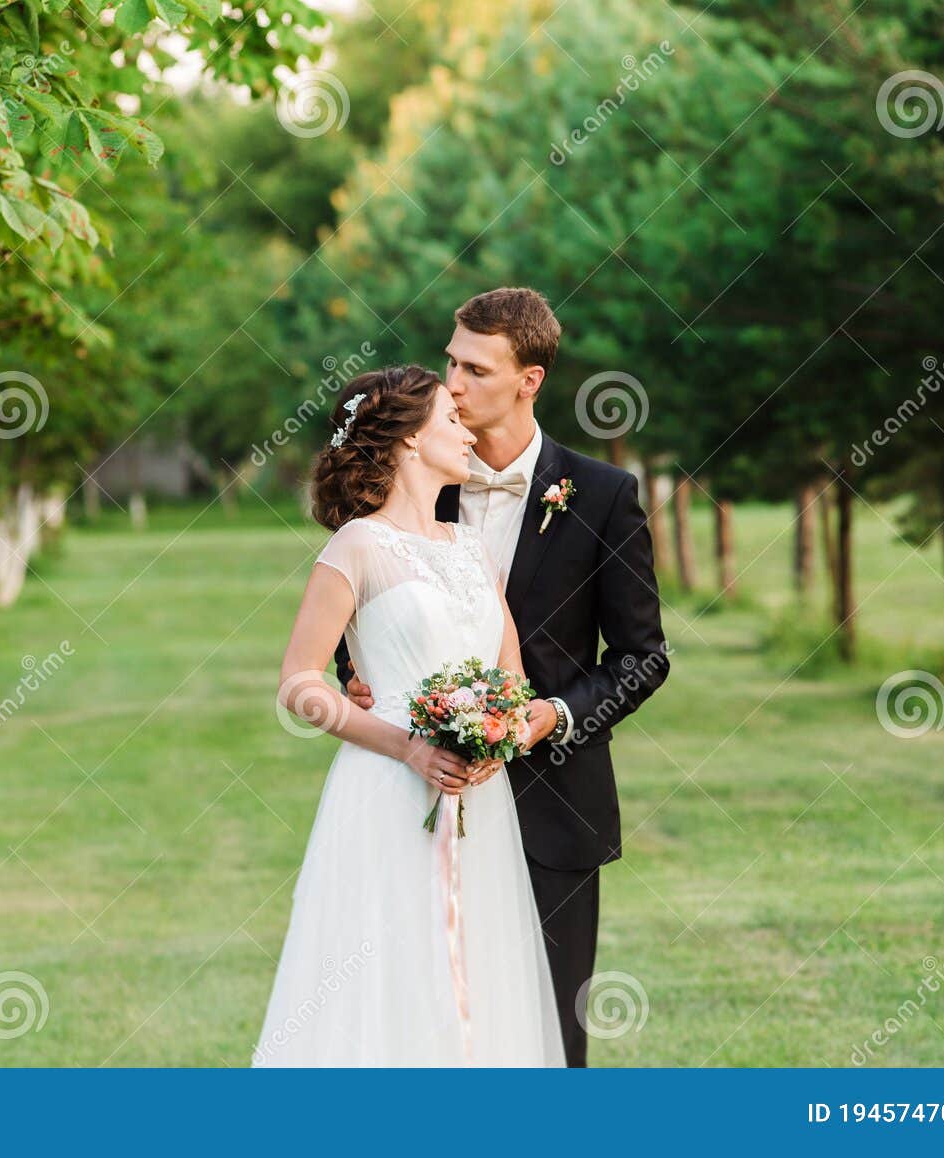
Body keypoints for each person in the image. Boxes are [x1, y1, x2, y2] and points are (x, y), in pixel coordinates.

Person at [341, 288, 670, 1067]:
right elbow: (365, 615)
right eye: (450, 361)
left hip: (554, 804)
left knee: (550, 1035)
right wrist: (356, 674)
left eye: (475, 370)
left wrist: (552, 714)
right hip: (420, 800)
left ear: (530, 380)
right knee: (423, 1026)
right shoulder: (416, 476)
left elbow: (643, 655)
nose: (451, 384)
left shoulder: (604, 496)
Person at [254, 364, 564, 1066]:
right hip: (387, 792)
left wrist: (498, 734)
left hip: (480, 799)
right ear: (409, 441)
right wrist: (409, 747)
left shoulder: (473, 550)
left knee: (480, 968)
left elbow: (511, 674)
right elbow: (299, 682)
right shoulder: (357, 546)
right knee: (384, 971)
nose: (467, 429)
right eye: (451, 419)